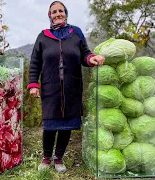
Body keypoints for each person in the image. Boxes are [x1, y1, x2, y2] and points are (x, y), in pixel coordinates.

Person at [27, 1, 105, 173]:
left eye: (60, 11)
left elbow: (85, 52)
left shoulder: (75, 33)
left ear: (66, 13)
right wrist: (34, 84)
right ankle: (46, 158)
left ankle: (59, 158)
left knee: (66, 125)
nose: (57, 14)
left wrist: (91, 58)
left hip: (72, 87)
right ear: (50, 15)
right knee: (50, 126)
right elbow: (35, 62)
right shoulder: (43, 36)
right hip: (50, 88)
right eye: (54, 12)